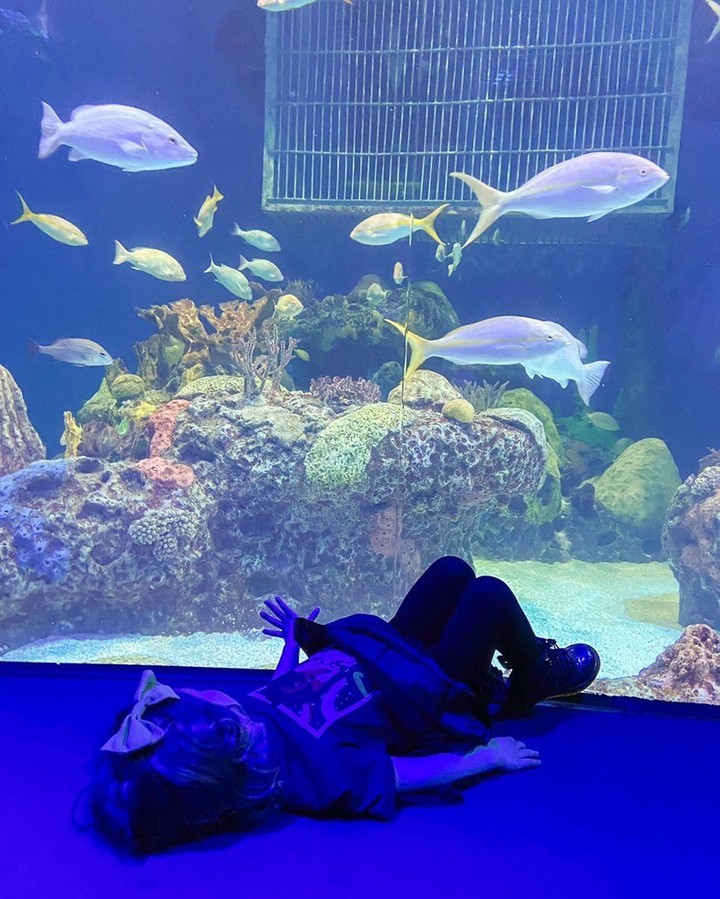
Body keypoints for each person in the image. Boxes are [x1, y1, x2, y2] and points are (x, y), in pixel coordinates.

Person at [79, 556, 600, 856]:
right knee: (486, 595)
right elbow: (400, 776)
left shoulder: (249, 729)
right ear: (226, 748)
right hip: (427, 693)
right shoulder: (311, 778)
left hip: (387, 654)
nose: (217, 698)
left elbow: (280, 693)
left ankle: (489, 672)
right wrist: (485, 759)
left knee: (450, 571)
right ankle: (532, 676)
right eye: (210, 707)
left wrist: (291, 641)